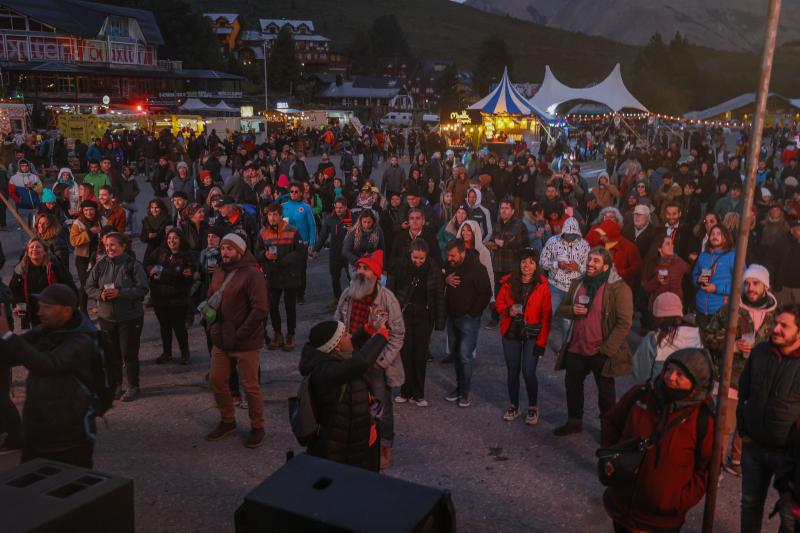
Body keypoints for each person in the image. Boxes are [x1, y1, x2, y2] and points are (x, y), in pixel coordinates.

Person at [601, 348, 715, 533]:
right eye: (668, 370)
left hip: (661, 521)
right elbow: (611, 421)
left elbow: (706, 469)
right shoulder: (641, 394)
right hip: (621, 505)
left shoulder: (702, 418)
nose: (670, 377)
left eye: (680, 375)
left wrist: (677, 501)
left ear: (696, 384)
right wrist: (611, 456)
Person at [0, 284, 98, 467]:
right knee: (31, 488)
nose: (39, 312)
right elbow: (14, 353)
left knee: (70, 489)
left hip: (70, 437)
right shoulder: (45, 329)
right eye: (39, 306)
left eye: (47, 307)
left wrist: (7, 335)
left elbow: (47, 364)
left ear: (67, 311)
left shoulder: (81, 340)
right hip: (38, 433)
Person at [703, 264, 777, 478]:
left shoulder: (774, 316)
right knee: (724, 426)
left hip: (758, 382)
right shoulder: (731, 309)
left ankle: (736, 460)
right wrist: (731, 345)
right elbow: (708, 335)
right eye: (747, 283)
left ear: (765, 286)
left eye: (755, 283)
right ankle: (714, 469)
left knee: (747, 427)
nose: (750, 288)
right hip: (731, 378)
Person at [334, 250, 405, 469]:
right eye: (359, 268)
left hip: (375, 363)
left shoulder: (387, 299)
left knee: (382, 409)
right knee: (352, 404)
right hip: (351, 358)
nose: (360, 272)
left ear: (375, 274)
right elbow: (337, 320)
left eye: (365, 268)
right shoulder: (348, 293)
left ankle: (385, 449)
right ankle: (359, 444)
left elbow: (398, 333)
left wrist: (382, 361)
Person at [554, 247, 633, 436]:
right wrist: (572, 310)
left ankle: (609, 430)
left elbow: (625, 322)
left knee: (606, 394)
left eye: (596, 261)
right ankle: (574, 422)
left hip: (601, 349)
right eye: (589, 259)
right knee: (572, 386)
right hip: (576, 346)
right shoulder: (578, 282)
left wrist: (608, 348)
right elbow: (562, 309)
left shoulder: (619, 288)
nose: (590, 263)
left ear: (606, 266)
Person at [738, 304, 800, 532]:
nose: (776, 329)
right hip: (754, 446)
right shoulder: (760, 352)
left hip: (789, 455)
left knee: (789, 514)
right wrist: (744, 431)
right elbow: (744, 391)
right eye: (775, 323)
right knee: (750, 503)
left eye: (784, 326)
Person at [299, 319, 390, 471]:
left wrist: (368, 330)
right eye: (345, 334)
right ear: (336, 346)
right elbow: (361, 361)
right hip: (341, 448)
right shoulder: (325, 372)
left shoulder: (331, 358)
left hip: (359, 438)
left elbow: (353, 349)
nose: (350, 335)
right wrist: (381, 335)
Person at [205, 233, 268, 448]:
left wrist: (240, 333)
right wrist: (212, 326)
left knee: (250, 386)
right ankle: (227, 420)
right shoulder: (219, 271)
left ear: (240, 251)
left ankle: (257, 426)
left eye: (230, 249)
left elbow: (260, 309)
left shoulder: (252, 275)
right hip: (220, 339)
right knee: (216, 380)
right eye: (223, 248)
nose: (225, 252)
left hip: (245, 342)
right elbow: (210, 297)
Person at [85, 232, 149, 401]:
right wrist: (100, 294)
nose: (109, 249)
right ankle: (117, 386)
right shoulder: (101, 265)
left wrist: (121, 293)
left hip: (130, 317)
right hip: (107, 317)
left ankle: (134, 386)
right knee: (112, 354)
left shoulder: (133, 265)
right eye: (107, 246)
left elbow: (143, 289)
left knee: (129, 353)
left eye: (113, 245)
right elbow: (88, 287)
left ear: (123, 246)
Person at [495, 248, 551, 424]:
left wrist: (542, 343)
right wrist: (507, 310)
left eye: (531, 262)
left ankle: (533, 407)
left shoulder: (542, 286)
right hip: (511, 331)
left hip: (532, 334)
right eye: (524, 262)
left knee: (528, 371)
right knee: (513, 371)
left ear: (536, 266)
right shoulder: (508, 282)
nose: (526, 265)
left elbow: (547, 317)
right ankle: (514, 405)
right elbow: (499, 304)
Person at [387, 239, 446, 407]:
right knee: (405, 354)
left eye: (421, 258)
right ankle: (405, 392)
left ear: (426, 256)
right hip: (404, 314)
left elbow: (439, 296)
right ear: (410, 253)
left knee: (420, 355)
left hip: (424, 315)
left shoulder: (433, 269)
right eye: (415, 258)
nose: (418, 261)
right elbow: (391, 292)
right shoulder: (400, 266)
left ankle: (418, 394)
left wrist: (440, 321)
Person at [442, 238, 492, 408]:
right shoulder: (450, 265)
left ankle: (465, 392)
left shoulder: (478, 269)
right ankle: (458, 387)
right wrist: (445, 279)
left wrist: (473, 313)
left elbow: (486, 293)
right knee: (456, 355)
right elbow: (440, 273)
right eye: (448, 255)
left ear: (462, 253)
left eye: (453, 255)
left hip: (468, 319)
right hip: (452, 316)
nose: (450, 259)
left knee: (464, 355)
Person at [540, 217, 590, 353]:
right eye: (568, 234)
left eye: (573, 235)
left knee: (568, 322)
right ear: (563, 231)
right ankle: (540, 344)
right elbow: (542, 262)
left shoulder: (584, 245)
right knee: (546, 316)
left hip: (573, 289)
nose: (570, 237)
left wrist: (578, 267)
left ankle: (565, 350)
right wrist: (557, 264)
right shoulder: (552, 241)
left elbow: (589, 268)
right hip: (554, 287)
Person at [259, 202, 303, 351]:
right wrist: (265, 254)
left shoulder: (292, 230)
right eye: (269, 214)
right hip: (272, 275)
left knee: (290, 307)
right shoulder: (263, 232)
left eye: (274, 215)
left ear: (280, 215)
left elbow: (300, 252)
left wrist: (283, 260)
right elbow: (256, 251)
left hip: (290, 274)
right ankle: (278, 334)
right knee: (272, 306)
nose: (271, 218)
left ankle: (291, 334)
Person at [632, 292, 701, 383]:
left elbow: (640, 375)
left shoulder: (654, 338)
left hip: (661, 392)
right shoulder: (697, 334)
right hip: (688, 392)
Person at [10, 239, 76, 329]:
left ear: (45, 251)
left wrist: (70, 307)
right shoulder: (21, 269)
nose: (34, 249)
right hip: (33, 312)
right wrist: (17, 305)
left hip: (53, 310)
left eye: (38, 247)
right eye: (31, 247)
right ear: (27, 252)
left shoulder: (54, 266)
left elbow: (68, 285)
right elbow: (14, 289)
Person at [487, 199, 530, 328]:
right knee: (497, 294)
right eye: (502, 208)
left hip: (512, 266)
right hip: (498, 265)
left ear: (512, 211)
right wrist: (491, 244)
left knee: (514, 294)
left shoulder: (519, 225)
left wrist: (505, 244)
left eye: (506, 208)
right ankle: (495, 318)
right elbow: (492, 239)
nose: (503, 210)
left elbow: (525, 245)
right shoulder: (497, 224)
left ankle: (515, 319)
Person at [693, 224, 735, 327]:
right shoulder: (703, 256)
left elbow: (740, 285)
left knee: (718, 342)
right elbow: (694, 276)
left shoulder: (733, 256)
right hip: (701, 308)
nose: (714, 236)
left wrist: (716, 288)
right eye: (712, 234)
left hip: (720, 310)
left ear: (725, 238)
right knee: (701, 340)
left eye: (718, 234)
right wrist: (698, 279)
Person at [314, 198, 352, 308]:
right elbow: (323, 235)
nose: (338, 210)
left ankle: (354, 299)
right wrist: (316, 249)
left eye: (340, 208)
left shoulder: (353, 218)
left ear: (345, 207)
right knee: (335, 278)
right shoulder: (330, 219)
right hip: (335, 254)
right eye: (336, 207)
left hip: (349, 254)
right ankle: (337, 298)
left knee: (352, 279)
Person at [69, 200, 105, 313]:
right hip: (83, 258)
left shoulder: (102, 221)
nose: (89, 212)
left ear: (95, 210)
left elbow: (110, 233)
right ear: (82, 211)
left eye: (91, 210)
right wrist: (89, 233)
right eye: (86, 210)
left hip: (100, 256)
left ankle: (101, 306)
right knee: (85, 284)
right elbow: (73, 241)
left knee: (100, 282)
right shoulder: (77, 223)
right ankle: (83, 311)